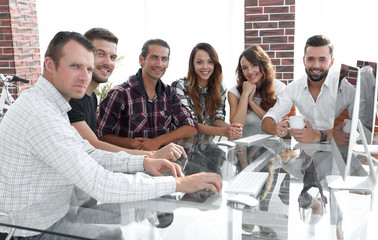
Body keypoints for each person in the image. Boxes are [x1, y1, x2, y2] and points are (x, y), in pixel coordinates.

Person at [0, 31, 222, 238]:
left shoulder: (50, 106)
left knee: (140, 213)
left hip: (58, 211)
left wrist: (144, 163)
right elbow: (100, 181)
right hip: (31, 231)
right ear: (50, 65)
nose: (84, 76)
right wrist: (179, 184)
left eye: (88, 68)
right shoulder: (40, 114)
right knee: (118, 232)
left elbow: (89, 151)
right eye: (75, 66)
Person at [68, 28, 186, 161]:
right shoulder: (72, 98)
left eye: (112, 57)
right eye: (100, 54)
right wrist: (153, 155)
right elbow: (95, 145)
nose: (108, 62)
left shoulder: (91, 97)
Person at [97, 39, 198, 151]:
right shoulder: (119, 94)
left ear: (168, 63)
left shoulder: (169, 93)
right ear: (142, 59)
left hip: (164, 160)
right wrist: (131, 143)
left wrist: (157, 141)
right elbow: (100, 136)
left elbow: (191, 127)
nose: (159, 64)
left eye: (164, 59)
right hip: (129, 163)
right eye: (154, 57)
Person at [261, 35, 352, 143]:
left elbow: (362, 127)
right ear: (304, 61)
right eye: (311, 59)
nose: (316, 65)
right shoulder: (293, 88)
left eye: (322, 60)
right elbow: (268, 119)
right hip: (307, 153)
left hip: (338, 151)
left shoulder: (344, 87)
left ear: (331, 62)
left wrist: (319, 135)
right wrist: (274, 128)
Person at [171, 42, 243, 138]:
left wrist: (232, 129)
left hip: (207, 146)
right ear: (192, 64)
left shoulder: (220, 87)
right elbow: (189, 124)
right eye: (199, 62)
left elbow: (217, 118)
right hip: (183, 145)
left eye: (210, 62)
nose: (205, 67)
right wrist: (223, 131)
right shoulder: (179, 86)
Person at [228, 45, 286, 135]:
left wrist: (251, 102)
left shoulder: (279, 88)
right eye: (244, 67)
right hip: (244, 145)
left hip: (272, 144)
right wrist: (245, 94)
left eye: (254, 65)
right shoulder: (234, 92)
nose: (250, 71)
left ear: (264, 65)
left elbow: (275, 125)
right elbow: (236, 124)